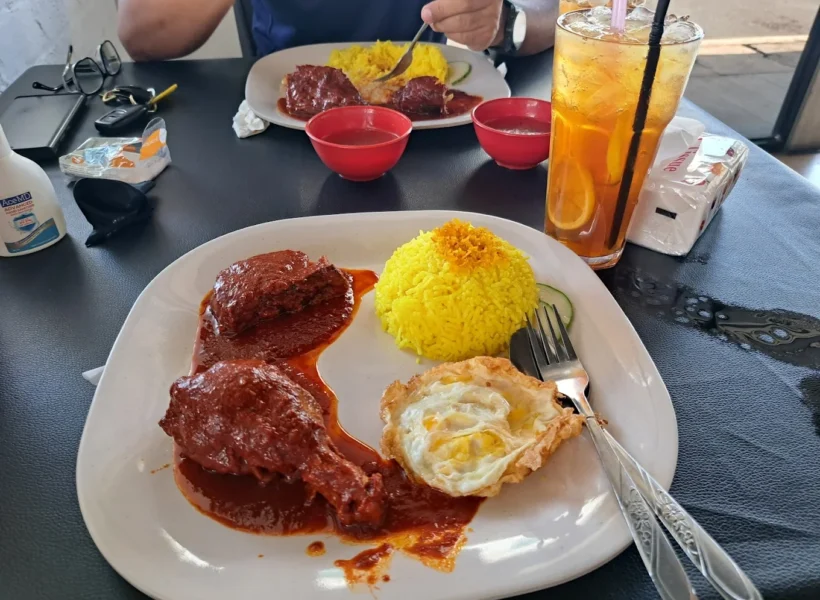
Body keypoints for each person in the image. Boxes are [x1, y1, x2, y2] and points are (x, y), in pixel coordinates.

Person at [118, 0, 558, 61]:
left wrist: (505, 21)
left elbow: (561, 11)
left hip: (432, 123)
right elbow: (140, 32)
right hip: (279, 137)